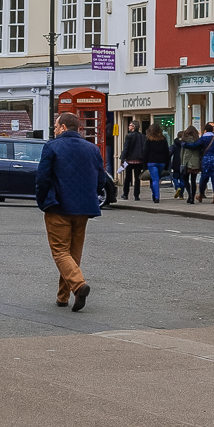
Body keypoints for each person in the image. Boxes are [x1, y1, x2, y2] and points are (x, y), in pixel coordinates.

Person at [36, 112, 107, 311]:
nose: (55, 130)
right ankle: (62, 297)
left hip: (58, 206)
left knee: (60, 252)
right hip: (83, 208)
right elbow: (100, 178)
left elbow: (42, 178)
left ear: (64, 128)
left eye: (57, 126)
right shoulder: (92, 148)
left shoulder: (52, 146)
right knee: (73, 254)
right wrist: (92, 196)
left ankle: (78, 285)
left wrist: (43, 201)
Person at [194, 124, 214, 204]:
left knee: (204, 178)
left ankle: (201, 195)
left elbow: (195, 145)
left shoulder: (203, 139)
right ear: (212, 130)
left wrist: (185, 144)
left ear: (205, 130)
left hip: (207, 160)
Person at [143, 125, 170, 204]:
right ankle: (154, 194)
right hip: (161, 162)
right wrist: (166, 165)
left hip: (151, 162)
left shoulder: (148, 140)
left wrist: (144, 166)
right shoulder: (163, 139)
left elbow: (145, 153)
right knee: (155, 178)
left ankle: (156, 196)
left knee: (155, 179)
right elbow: (167, 153)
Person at [120, 121, 145, 200]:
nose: (128, 127)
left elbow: (126, 148)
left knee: (127, 178)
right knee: (137, 179)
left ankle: (125, 194)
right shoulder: (142, 136)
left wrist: (122, 158)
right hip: (139, 160)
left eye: (130, 125)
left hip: (129, 160)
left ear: (133, 127)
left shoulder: (129, 136)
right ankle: (136, 196)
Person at [181, 126, 201, 203]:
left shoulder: (184, 141)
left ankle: (189, 194)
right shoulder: (197, 141)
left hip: (186, 162)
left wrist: (182, 163)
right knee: (193, 180)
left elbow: (183, 154)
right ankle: (192, 197)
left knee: (185, 179)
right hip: (195, 163)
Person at [169, 131, 185, 199]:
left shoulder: (174, 145)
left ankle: (177, 187)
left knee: (175, 177)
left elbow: (169, 153)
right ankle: (181, 195)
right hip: (183, 163)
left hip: (176, 163)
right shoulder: (185, 145)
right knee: (183, 179)